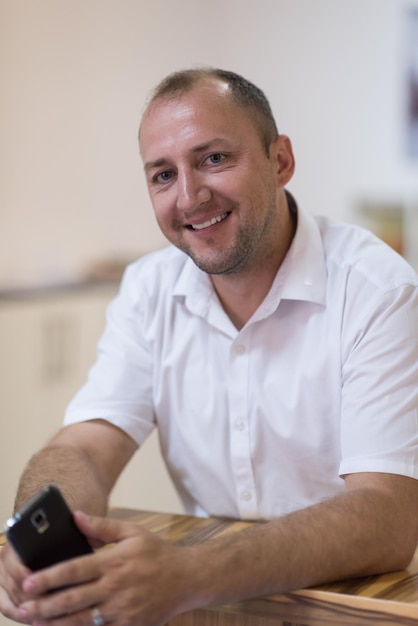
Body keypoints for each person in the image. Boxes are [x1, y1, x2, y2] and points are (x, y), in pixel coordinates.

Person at [1, 67, 418, 626]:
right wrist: (38, 545)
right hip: (221, 605)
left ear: (280, 161)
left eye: (214, 159)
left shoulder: (379, 290)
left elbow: (386, 518)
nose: (190, 196)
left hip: (354, 608)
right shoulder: (149, 289)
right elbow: (86, 447)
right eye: (163, 175)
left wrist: (190, 573)